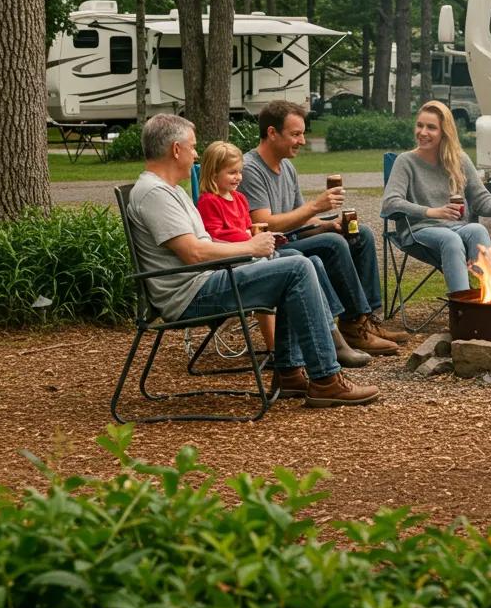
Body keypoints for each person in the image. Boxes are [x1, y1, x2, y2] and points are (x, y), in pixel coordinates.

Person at [126, 114, 378, 408]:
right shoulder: (155, 194)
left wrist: (253, 250)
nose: (196, 154)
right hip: (190, 293)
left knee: (294, 258)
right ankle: (326, 379)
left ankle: (290, 373)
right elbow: (193, 253)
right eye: (192, 147)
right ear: (175, 149)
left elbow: (203, 245)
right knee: (297, 268)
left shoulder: (169, 190)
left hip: (204, 279)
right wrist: (249, 247)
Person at [238, 100, 406, 355]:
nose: (302, 141)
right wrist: (316, 207)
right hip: (271, 248)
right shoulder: (251, 169)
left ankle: (364, 320)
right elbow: (264, 224)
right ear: (272, 133)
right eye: (295, 134)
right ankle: (355, 324)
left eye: (302, 134)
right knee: (333, 244)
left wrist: (329, 224)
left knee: (359, 234)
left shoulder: (287, 167)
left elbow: (300, 218)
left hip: (292, 237)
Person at [195, 140, 370, 368]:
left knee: (313, 262)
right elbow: (214, 237)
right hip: (234, 262)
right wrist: (250, 238)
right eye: (231, 173)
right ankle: (330, 342)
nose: (238, 177)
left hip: (255, 253)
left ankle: (331, 336)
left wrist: (270, 236)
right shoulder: (209, 202)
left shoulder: (239, 198)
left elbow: (250, 228)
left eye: (239, 172)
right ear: (213, 173)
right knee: (300, 261)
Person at [381, 100, 491, 294]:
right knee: (451, 239)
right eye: (420, 125)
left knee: (477, 229)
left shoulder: (459, 160)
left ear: (444, 132)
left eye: (431, 127)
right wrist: (431, 212)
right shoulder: (405, 161)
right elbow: (390, 203)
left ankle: (490, 296)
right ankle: (462, 304)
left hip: (457, 227)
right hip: (418, 230)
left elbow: (480, 196)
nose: (423, 132)